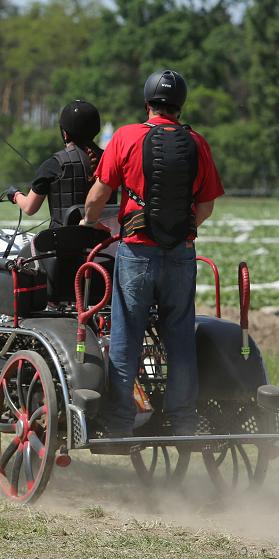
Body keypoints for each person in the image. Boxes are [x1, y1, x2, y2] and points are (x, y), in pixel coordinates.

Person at [80, 70, 224, 438]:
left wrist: (90, 221)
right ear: (180, 106)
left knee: (126, 338)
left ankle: (120, 422)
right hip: (182, 255)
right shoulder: (197, 142)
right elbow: (205, 207)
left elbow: (98, 196)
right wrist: (179, 231)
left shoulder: (127, 136)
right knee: (179, 338)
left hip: (137, 255)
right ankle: (183, 420)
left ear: (148, 104)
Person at [3, 100, 117, 228]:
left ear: (65, 133)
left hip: (63, 245)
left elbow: (29, 208)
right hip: (105, 242)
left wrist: (15, 194)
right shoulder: (112, 160)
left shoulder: (52, 165)